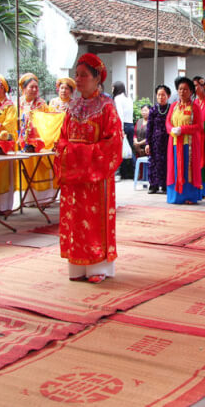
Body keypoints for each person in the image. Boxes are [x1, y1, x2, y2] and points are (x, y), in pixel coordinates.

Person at [53, 53, 123, 283]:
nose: (79, 79)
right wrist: (67, 151)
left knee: (94, 219)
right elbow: (62, 138)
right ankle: (77, 266)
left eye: (84, 75)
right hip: (74, 176)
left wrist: (80, 154)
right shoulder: (72, 107)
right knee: (75, 219)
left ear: (97, 79)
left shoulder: (106, 107)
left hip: (96, 177)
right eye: (77, 75)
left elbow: (114, 143)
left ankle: (98, 267)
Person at [166, 77, 205, 204]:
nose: (182, 92)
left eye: (185, 89)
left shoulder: (195, 108)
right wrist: (171, 130)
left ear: (191, 92)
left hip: (189, 144)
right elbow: (167, 122)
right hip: (175, 143)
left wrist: (182, 129)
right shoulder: (173, 107)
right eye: (180, 89)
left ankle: (190, 196)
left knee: (189, 170)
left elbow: (199, 126)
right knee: (175, 169)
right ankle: (175, 196)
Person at [18, 73, 54, 205]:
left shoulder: (41, 103)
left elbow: (47, 121)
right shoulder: (18, 103)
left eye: (36, 87)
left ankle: (43, 198)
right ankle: (28, 199)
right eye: (31, 87)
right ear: (24, 88)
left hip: (39, 140)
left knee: (40, 169)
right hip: (24, 140)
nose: (34, 90)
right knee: (27, 168)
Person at [0, 74, 18, 215]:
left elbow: (10, 124)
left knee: (4, 175)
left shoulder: (9, 106)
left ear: (1, 89)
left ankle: (5, 206)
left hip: (3, 144)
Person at [146, 84, 171, 194]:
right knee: (154, 162)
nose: (161, 97)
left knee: (167, 162)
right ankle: (153, 185)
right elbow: (149, 127)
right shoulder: (153, 110)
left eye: (163, 95)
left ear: (168, 96)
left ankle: (165, 185)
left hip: (168, 140)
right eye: (159, 95)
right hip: (155, 141)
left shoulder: (171, 109)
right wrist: (148, 143)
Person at [113, 81, 135, 179]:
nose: (112, 90)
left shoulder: (118, 98)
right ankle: (129, 172)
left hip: (124, 125)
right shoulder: (128, 98)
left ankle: (124, 172)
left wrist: (121, 129)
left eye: (113, 87)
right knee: (128, 150)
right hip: (130, 125)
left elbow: (120, 114)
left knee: (122, 150)